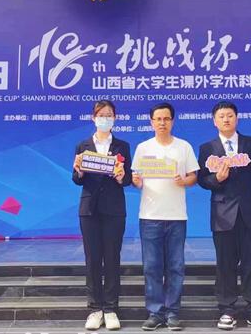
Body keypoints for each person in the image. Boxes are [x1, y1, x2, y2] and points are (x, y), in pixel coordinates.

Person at [197, 101, 251, 331]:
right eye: (221, 116)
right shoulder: (207, 148)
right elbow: (202, 180)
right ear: (214, 121)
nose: (226, 119)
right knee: (225, 263)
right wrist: (217, 179)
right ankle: (227, 309)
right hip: (222, 214)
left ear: (237, 118)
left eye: (230, 115)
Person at [132, 102, 199, 331]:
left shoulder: (183, 147)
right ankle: (155, 313)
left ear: (172, 121)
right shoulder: (143, 148)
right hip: (150, 215)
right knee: (151, 267)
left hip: (176, 216)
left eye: (166, 119)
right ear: (151, 122)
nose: (162, 123)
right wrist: (136, 181)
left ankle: (172, 313)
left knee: (175, 266)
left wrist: (184, 180)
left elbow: (193, 176)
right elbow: (136, 178)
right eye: (158, 119)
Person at [72, 100, 132, 331]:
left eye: (109, 115)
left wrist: (121, 176)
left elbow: (127, 179)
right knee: (93, 259)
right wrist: (79, 170)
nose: (105, 119)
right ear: (93, 118)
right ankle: (95, 309)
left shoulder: (122, 146)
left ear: (115, 119)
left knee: (112, 258)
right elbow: (77, 179)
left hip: (114, 209)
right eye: (101, 115)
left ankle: (111, 308)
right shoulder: (83, 145)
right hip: (89, 210)